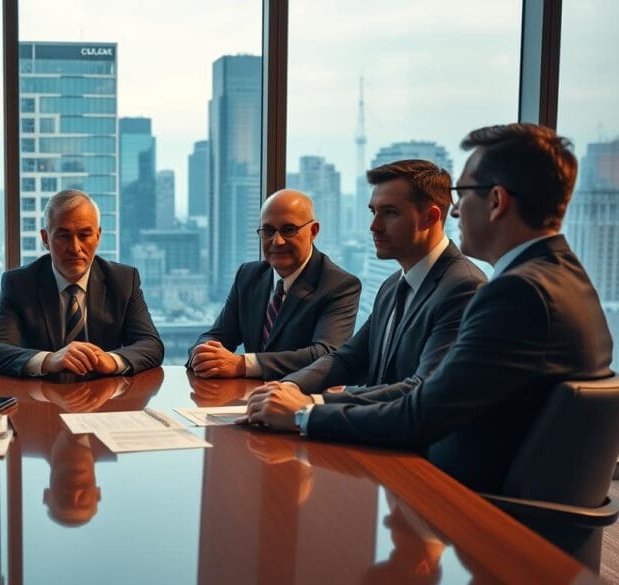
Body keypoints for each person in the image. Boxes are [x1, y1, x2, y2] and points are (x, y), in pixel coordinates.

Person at [245, 123, 614, 493]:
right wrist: (290, 392)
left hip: (462, 500)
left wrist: (304, 413)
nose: (456, 211)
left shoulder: (516, 293)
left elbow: (423, 410)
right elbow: (351, 361)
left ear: (497, 201)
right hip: (455, 481)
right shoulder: (560, 277)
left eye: (463, 193)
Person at [279, 160, 485, 399]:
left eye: (390, 213)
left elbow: (422, 389)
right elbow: (347, 359)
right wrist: (288, 387)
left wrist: (313, 402)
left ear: (430, 217)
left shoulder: (463, 287)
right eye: (373, 211)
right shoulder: (391, 285)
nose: (374, 226)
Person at [0, 189, 164, 377]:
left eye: (84, 235)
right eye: (64, 236)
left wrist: (113, 360)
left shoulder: (123, 280)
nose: (75, 248)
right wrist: (49, 360)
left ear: (98, 236)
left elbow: (151, 345)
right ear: (45, 239)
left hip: (106, 399)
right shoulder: (19, 284)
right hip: (42, 401)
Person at [189, 189, 361, 379]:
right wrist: (202, 354)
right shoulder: (248, 275)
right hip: (250, 397)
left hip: (303, 401)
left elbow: (325, 354)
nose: (277, 241)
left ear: (313, 231)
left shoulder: (339, 285)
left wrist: (242, 364)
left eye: (288, 230)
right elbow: (219, 335)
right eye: (268, 231)